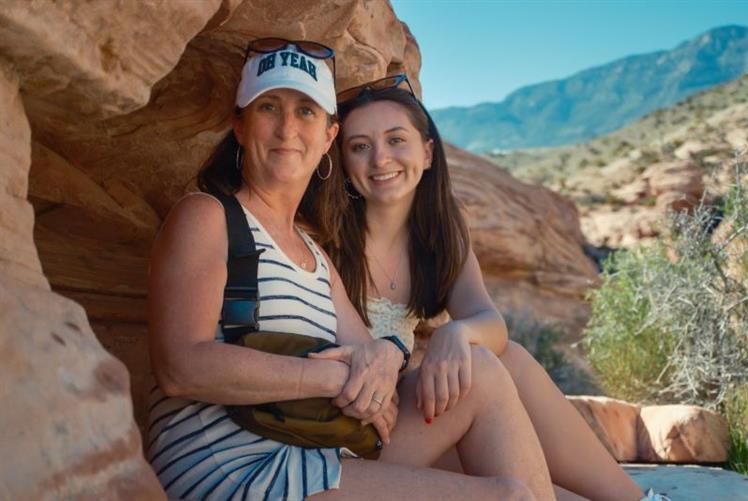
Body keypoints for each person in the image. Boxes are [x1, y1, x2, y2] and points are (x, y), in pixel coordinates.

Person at [146, 39, 555, 500]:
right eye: (268, 107)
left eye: (306, 111)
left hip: (308, 453)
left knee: (481, 371)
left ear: (328, 138)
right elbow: (181, 366)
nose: (287, 128)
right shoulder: (208, 216)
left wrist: (384, 357)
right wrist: (329, 378)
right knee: (507, 497)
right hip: (232, 471)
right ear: (239, 125)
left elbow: (371, 353)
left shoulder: (315, 256)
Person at [330, 75, 647, 501]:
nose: (380, 159)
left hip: (402, 430)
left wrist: (456, 332)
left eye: (395, 140)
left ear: (426, 154)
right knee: (488, 383)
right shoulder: (326, 241)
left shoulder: (438, 235)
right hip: (344, 440)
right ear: (345, 164)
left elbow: (489, 323)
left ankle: (639, 499)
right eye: (360, 146)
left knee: (507, 358)